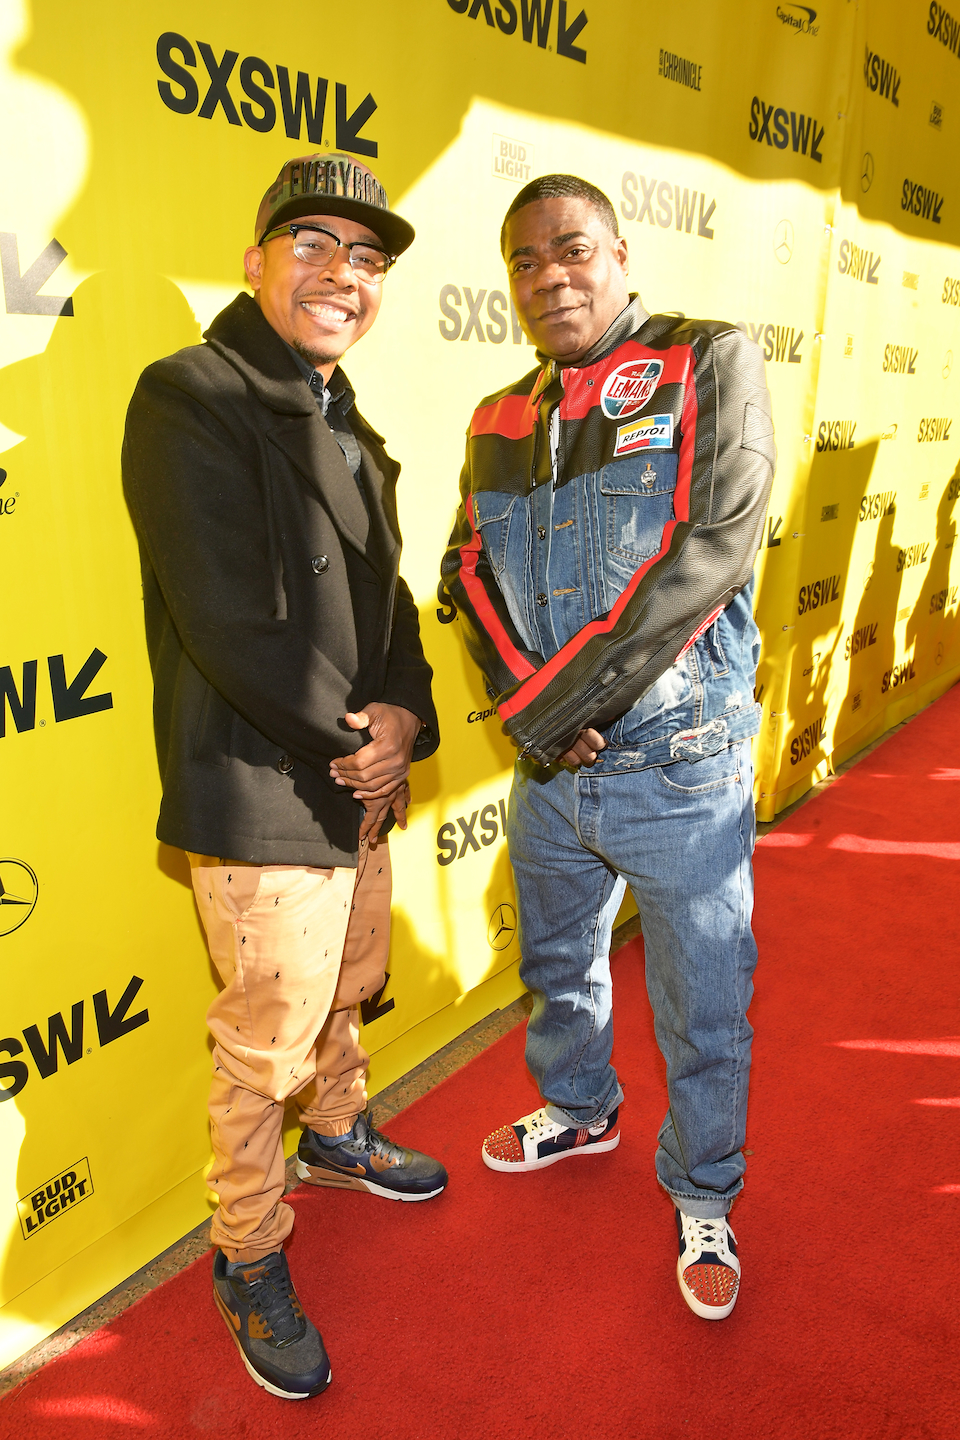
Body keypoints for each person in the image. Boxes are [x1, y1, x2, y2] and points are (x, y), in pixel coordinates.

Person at [123, 152, 445, 1400]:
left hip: (356, 771)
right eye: (312, 243)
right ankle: (247, 1252)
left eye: (365, 259)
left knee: (347, 989)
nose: (341, 275)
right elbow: (228, 618)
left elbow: (391, 599)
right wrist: (359, 737)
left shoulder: (344, 414)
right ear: (255, 258)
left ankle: (340, 1135)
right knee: (267, 1043)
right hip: (264, 779)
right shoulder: (192, 394)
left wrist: (407, 714)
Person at [441, 174, 775, 1320]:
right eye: (526, 264)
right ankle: (580, 1108)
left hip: (683, 775)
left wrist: (560, 703)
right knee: (558, 971)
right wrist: (530, 706)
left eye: (572, 251)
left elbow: (717, 541)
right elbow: (465, 576)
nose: (551, 279)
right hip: (552, 777)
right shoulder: (496, 415)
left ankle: (703, 1191)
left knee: (704, 1004)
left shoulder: (706, 358)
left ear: (622, 254)